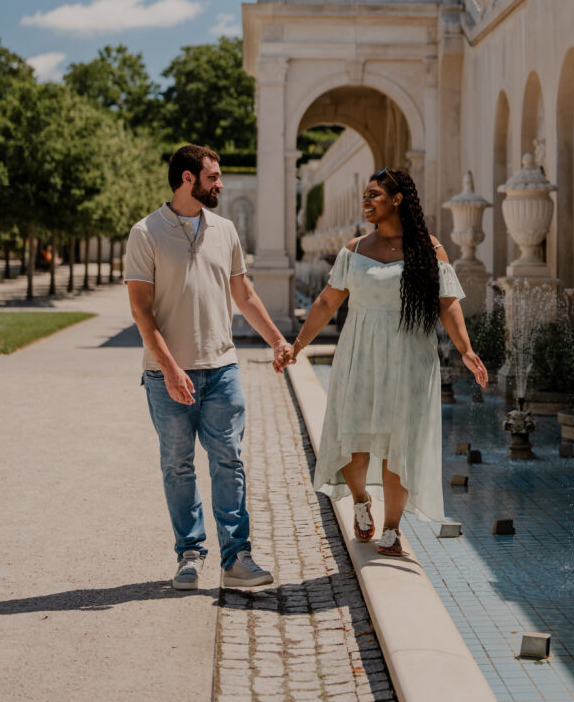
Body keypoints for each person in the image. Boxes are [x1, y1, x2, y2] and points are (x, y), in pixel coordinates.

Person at [284, 167, 487, 555]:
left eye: (375, 194)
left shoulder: (428, 248)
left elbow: (447, 304)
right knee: (353, 436)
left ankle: (392, 527)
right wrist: (297, 346)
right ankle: (361, 501)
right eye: (365, 194)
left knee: (400, 443)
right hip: (360, 353)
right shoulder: (355, 249)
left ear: (398, 199)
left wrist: (466, 349)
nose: (367, 201)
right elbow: (327, 302)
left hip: (410, 357)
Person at [125, 144, 292, 590]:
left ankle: (237, 559)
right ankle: (190, 555)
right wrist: (170, 367)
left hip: (222, 369)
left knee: (229, 462)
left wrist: (277, 340)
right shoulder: (146, 233)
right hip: (166, 375)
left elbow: (245, 295)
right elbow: (142, 311)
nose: (221, 184)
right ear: (187, 179)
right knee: (178, 466)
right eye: (213, 177)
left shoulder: (226, 230)